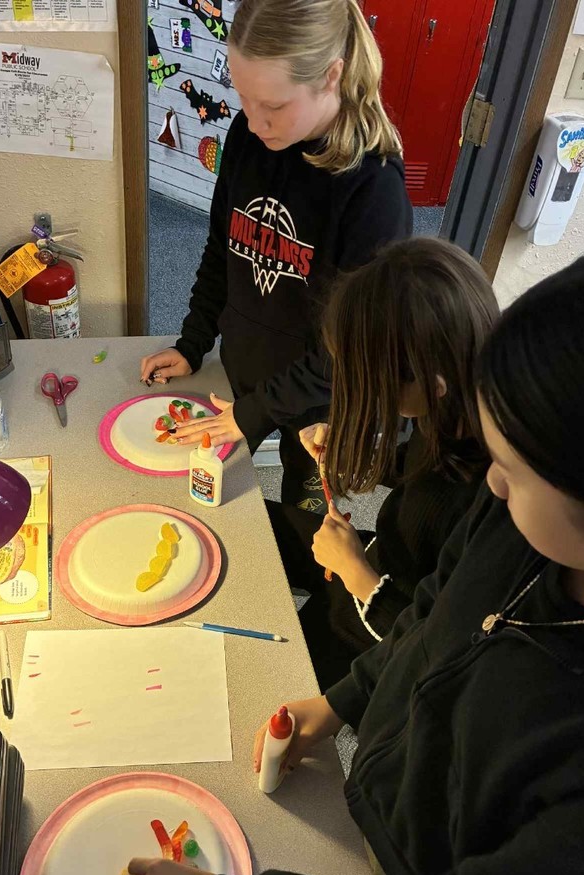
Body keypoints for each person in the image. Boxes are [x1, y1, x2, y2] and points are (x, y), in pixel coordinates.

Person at [123, 238, 584, 875]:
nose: (491, 486)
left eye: (514, 471)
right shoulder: (521, 526)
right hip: (387, 803)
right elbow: (437, 615)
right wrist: (344, 701)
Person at [139, 0, 413, 509]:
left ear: (331, 76)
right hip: (244, 371)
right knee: (214, 504)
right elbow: (223, 247)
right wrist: (193, 341)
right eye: (244, 99)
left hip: (321, 407)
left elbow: (354, 349)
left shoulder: (373, 189)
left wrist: (256, 411)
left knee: (306, 528)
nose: (256, 121)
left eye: (275, 105)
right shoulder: (246, 134)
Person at [267, 237, 496, 691]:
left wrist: (355, 573)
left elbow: (441, 644)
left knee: (270, 689)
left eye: (368, 378)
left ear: (431, 384)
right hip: (375, 559)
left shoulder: (490, 494)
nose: (359, 389)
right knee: (255, 528)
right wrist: (364, 454)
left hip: (383, 625)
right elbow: (418, 465)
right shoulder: (454, 405)